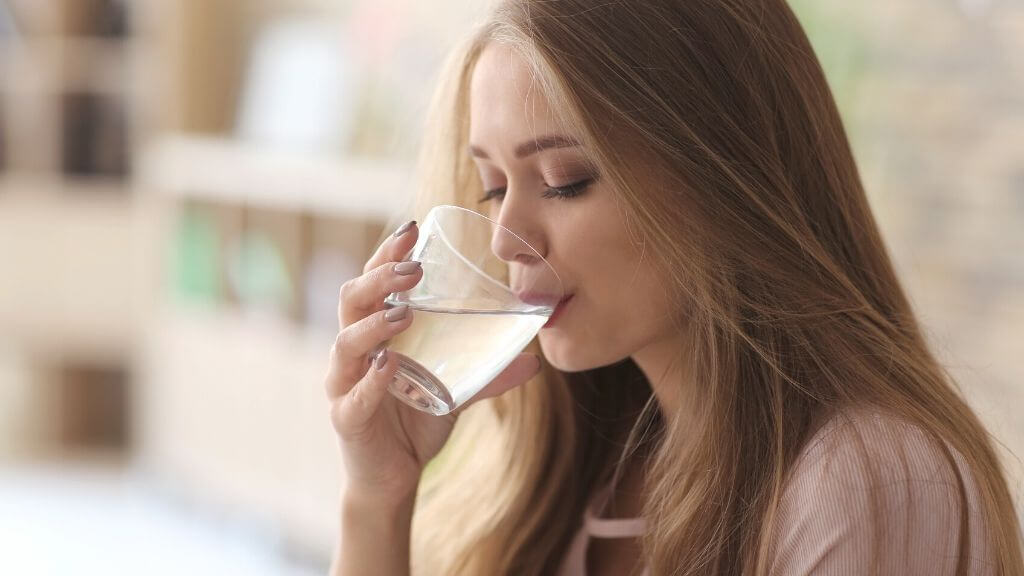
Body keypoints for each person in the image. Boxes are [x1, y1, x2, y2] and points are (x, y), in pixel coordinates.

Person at [324, 1, 1024, 574]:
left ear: (720, 174)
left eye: (566, 180)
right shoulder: (583, 482)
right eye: (494, 187)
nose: (506, 237)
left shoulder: (870, 487)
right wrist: (378, 498)